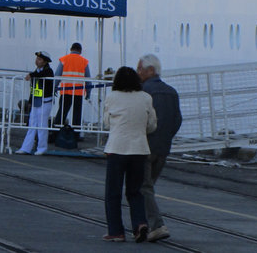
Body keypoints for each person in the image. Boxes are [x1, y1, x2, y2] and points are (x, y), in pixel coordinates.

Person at [102, 65, 156, 242]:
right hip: (139, 149)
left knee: (113, 193)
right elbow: (152, 125)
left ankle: (116, 232)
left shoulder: (111, 97)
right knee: (135, 191)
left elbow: (106, 124)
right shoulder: (146, 98)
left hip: (117, 149)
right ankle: (140, 223)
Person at [137, 54, 182, 243]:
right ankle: (143, 225)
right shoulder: (172, 92)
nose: (137, 73)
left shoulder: (143, 92)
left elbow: (140, 118)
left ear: (150, 70)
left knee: (143, 188)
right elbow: (177, 120)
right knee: (147, 187)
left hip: (145, 146)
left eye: (140, 69)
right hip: (163, 147)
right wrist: (166, 138)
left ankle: (157, 225)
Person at [16, 51, 56, 155]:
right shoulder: (36, 71)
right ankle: (26, 148)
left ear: (45, 62)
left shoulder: (48, 71)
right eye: (37, 59)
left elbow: (41, 75)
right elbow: (34, 88)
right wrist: (30, 101)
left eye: (39, 59)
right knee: (32, 124)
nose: (37, 61)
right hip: (36, 101)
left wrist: (31, 74)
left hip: (45, 101)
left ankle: (42, 148)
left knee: (42, 125)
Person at [53, 42, 91, 135]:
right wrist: (88, 93)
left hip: (65, 91)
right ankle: (76, 134)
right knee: (77, 115)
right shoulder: (84, 61)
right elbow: (88, 79)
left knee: (62, 112)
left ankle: (56, 132)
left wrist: (54, 88)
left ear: (71, 49)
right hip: (78, 92)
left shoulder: (64, 59)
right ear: (80, 51)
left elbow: (57, 75)